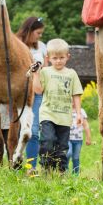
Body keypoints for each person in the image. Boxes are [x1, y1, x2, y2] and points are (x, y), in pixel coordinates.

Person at [37, 38, 83, 173]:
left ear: (67, 57)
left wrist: (79, 113)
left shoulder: (71, 73)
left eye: (61, 57)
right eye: (55, 58)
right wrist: (35, 74)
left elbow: (76, 94)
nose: (58, 61)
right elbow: (38, 90)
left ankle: (61, 172)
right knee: (48, 140)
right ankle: (46, 169)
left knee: (62, 147)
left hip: (64, 117)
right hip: (48, 114)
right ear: (48, 58)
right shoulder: (45, 72)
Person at [16, 16, 48, 171]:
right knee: (16, 129)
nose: (40, 36)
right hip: (18, 94)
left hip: (36, 94)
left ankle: (31, 167)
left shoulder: (41, 47)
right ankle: (14, 162)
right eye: (38, 33)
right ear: (29, 30)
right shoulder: (16, 45)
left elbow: (47, 69)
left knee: (34, 131)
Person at [66, 106, 92, 175]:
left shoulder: (81, 111)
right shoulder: (66, 109)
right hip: (67, 138)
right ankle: (65, 170)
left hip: (78, 139)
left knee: (76, 157)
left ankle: (75, 174)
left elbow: (86, 125)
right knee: (68, 153)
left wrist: (88, 137)